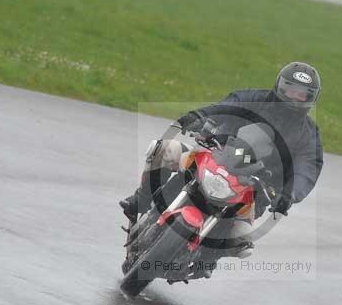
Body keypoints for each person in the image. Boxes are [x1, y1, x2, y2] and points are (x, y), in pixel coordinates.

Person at [120, 62, 324, 274]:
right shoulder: (255, 99)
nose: (294, 97)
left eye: (302, 95)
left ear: (311, 98)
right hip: (218, 156)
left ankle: (207, 259)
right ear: (280, 86)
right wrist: (199, 117)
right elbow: (226, 107)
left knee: (242, 240)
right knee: (162, 150)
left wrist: (289, 194)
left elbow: (308, 168)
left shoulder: (308, 135)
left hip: (257, 186)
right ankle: (140, 201)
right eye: (291, 90)